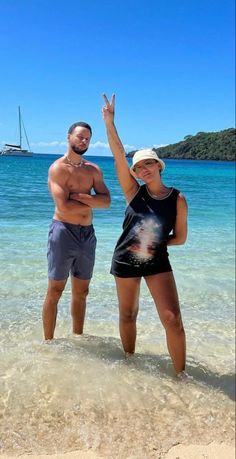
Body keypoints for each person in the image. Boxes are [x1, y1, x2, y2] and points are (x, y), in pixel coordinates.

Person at [102, 94, 188, 375]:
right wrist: (110, 122)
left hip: (157, 262)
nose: (144, 169)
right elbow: (117, 154)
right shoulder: (133, 193)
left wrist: (156, 245)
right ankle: (130, 366)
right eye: (139, 167)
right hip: (125, 261)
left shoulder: (177, 199)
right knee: (128, 314)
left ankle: (181, 377)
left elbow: (180, 238)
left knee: (172, 318)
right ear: (135, 173)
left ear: (158, 166)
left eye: (148, 163)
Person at [42, 121, 111, 340]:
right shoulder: (58, 168)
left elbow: (107, 201)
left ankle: (78, 339)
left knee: (82, 292)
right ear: (69, 136)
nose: (83, 141)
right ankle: (48, 343)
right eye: (80, 136)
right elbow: (63, 206)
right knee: (55, 291)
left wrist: (81, 197)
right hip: (63, 232)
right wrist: (93, 201)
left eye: (87, 138)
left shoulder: (93, 170)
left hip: (87, 234)